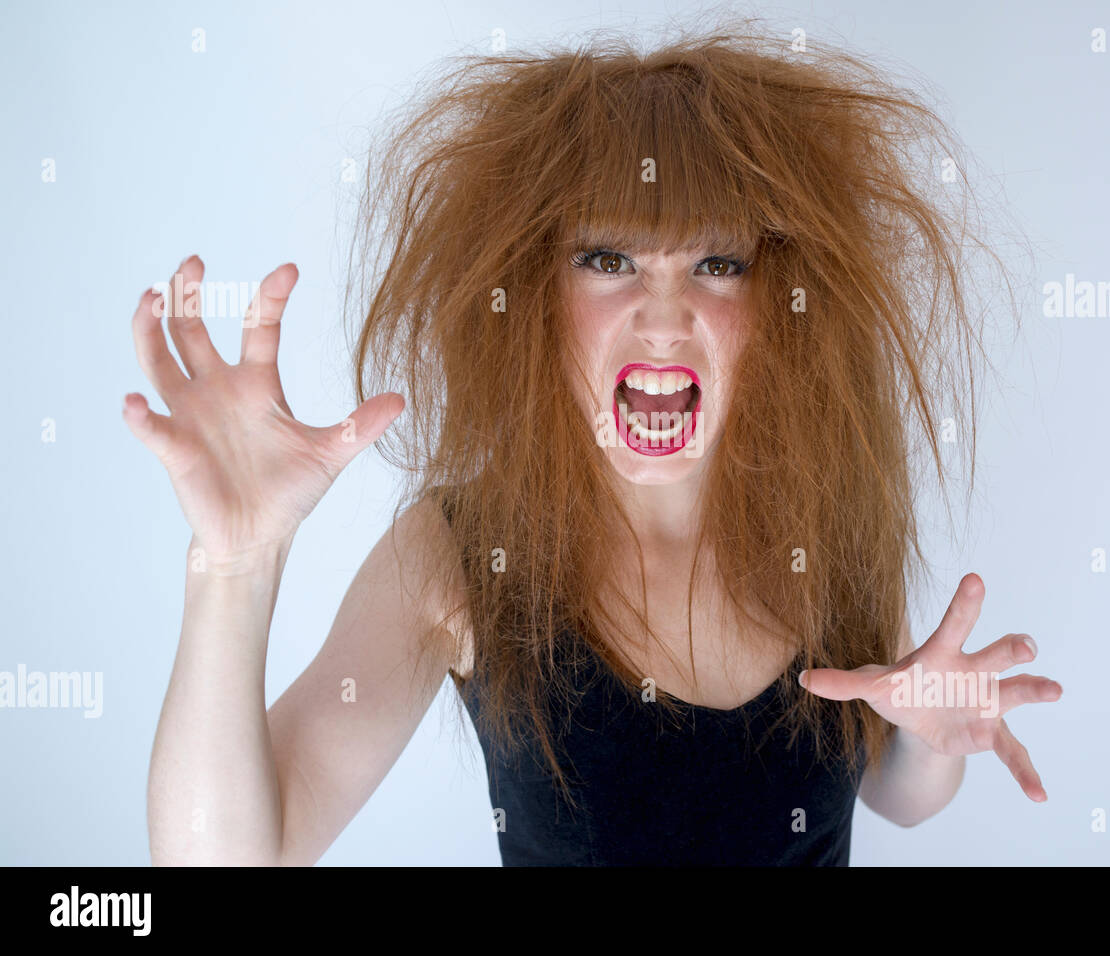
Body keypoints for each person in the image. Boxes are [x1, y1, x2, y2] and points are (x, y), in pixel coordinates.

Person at [126, 23, 1062, 866]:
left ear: (779, 308)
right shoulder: (457, 556)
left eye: (717, 264)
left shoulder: (821, 526)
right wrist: (233, 567)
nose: (664, 318)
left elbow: (895, 795)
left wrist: (933, 740)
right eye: (609, 260)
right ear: (537, 295)